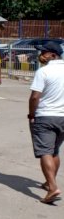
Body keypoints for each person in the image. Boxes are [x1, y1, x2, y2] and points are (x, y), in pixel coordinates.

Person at [28, 41, 64, 204]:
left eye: (44, 53)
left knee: (44, 151)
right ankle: (49, 182)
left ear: (53, 55)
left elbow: (35, 96)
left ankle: (52, 187)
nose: (41, 55)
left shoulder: (44, 72)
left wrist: (31, 114)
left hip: (45, 116)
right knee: (54, 151)